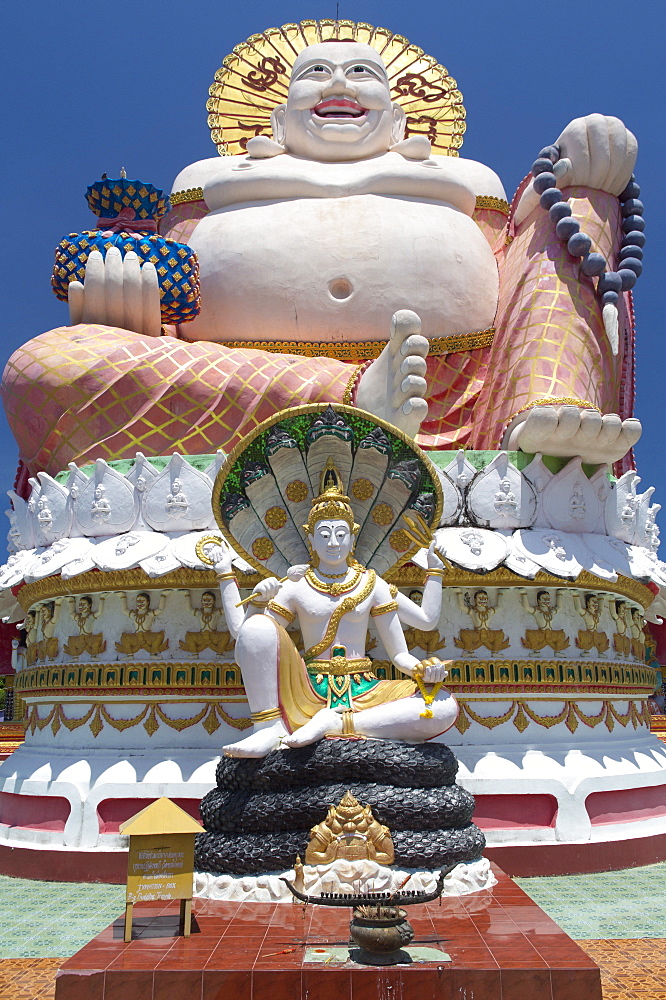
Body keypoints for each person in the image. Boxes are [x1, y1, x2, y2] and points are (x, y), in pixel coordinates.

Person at [2, 38, 640, 482]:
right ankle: (354, 398)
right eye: (316, 74)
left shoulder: (460, 177)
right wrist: (125, 306)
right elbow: (173, 299)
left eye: (362, 72)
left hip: (452, 396)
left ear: (397, 118)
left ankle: (544, 403)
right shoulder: (213, 177)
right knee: (43, 369)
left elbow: (515, 269)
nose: (339, 81)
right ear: (277, 118)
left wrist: (576, 169)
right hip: (236, 396)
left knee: (577, 209)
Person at [209, 481, 458, 757]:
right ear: (310, 539)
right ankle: (268, 728)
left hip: (365, 691)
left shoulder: (371, 583)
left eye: (341, 534)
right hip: (307, 692)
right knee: (258, 625)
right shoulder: (296, 583)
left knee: (444, 706)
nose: (333, 543)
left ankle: (337, 724)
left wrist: (423, 670)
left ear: (353, 537)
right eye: (324, 534)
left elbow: (411, 640)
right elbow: (246, 637)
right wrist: (236, 585)